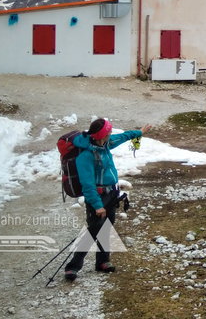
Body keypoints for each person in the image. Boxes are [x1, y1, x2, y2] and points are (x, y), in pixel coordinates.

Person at [63, 118, 151, 281]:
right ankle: (72, 267)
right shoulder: (86, 156)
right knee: (92, 231)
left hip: (111, 194)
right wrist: (97, 205)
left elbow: (123, 136)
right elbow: (87, 185)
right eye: (108, 132)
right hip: (97, 197)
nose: (111, 134)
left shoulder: (105, 144)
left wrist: (139, 132)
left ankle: (103, 262)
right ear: (100, 136)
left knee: (107, 228)